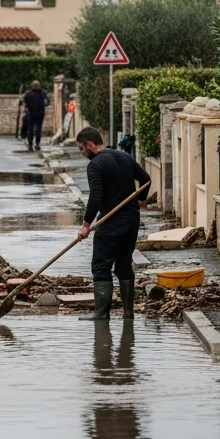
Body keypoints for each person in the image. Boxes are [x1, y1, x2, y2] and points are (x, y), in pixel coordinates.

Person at [75, 126, 150, 322]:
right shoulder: (124, 156)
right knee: (124, 264)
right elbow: (146, 179)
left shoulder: (96, 165)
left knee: (101, 266)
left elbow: (96, 196)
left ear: (89, 144)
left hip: (111, 220)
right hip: (132, 219)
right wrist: (142, 198)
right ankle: (128, 314)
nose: (82, 154)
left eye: (82, 149)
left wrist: (86, 225)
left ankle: (101, 315)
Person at [21, 81, 50, 152]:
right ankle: (37, 144)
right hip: (40, 113)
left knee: (30, 129)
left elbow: (24, 102)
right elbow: (47, 102)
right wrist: (42, 106)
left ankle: (30, 144)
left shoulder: (28, 93)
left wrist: (28, 106)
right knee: (38, 129)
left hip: (31, 113)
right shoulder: (43, 93)